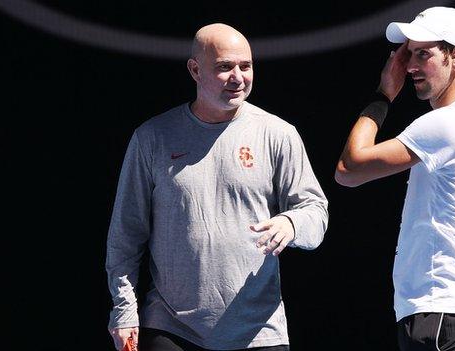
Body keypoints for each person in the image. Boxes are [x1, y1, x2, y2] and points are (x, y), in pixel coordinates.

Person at [105, 23, 328, 351]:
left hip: (258, 330)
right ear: (195, 70)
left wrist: (291, 222)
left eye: (246, 66)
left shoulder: (278, 134)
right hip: (171, 324)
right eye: (225, 67)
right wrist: (124, 310)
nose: (238, 77)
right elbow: (126, 234)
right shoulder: (152, 137)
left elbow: (316, 213)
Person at [334, 7, 455, 351]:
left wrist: (383, 95)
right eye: (408, 54)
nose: (410, 66)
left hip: (439, 318)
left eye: (423, 54)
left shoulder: (442, 125)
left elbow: (348, 171)